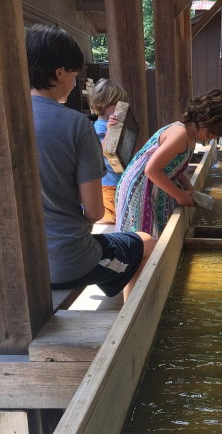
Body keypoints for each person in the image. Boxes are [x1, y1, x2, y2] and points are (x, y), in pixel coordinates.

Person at [27, 24, 155, 302]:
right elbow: (95, 212)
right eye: (74, 75)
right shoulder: (76, 125)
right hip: (66, 263)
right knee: (147, 242)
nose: (74, 84)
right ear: (59, 73)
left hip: (19, 266)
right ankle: (132, 320)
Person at [116, 89, 222, 239]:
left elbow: (170, 165)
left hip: (152, 185)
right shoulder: (180, 134)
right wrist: (179, 195)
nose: (213, 138)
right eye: (213, 133)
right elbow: (152, 170)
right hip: (141, 188)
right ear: (206, 117)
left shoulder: (189, 135)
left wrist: (185, 182)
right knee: (144, 240)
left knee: (155, 238)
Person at [89, 79, 129, 223]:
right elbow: (98, 153)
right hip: (108, 182)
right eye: (118, 104)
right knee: (115, 217)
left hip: (117, 180)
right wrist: (109, 132)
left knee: (122, 214)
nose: (121, 109)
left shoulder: (109, 126)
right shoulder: (99, 128)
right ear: (104, 104)